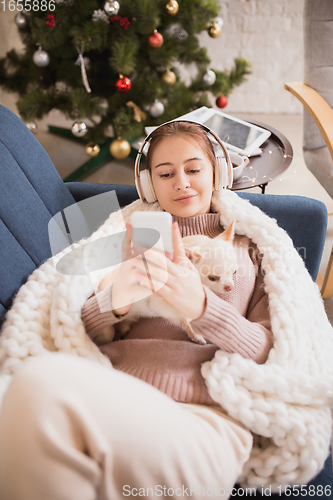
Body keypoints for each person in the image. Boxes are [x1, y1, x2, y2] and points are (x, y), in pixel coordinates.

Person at [0, 121, 275, 499]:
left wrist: (202, 308)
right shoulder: (124, 238)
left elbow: (274, 350)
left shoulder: (255, 249)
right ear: (148, 185)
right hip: (106, 389)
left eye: (194, 169)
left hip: (202, 417)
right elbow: (68, 321)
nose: (181, 182)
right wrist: (115, 302)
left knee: (35, 385)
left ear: (218, 174)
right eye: (166, 173)